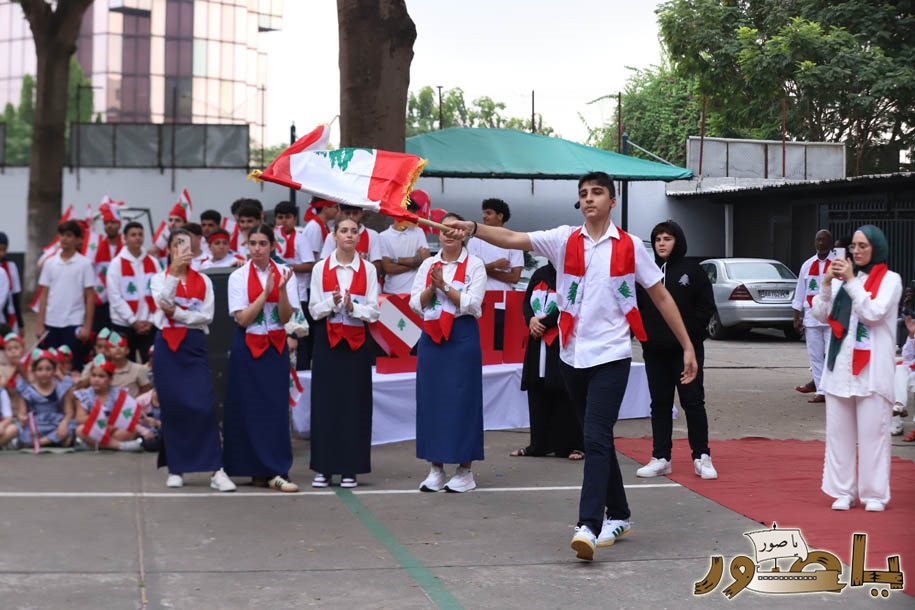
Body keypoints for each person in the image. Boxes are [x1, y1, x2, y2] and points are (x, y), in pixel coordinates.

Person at [444, 172, 697, 560]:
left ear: (612, 202)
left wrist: (687, 346)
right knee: (598, 439)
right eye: (583, 194)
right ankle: (621, 514)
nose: (589, 199)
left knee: (594, 437)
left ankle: (588, 525)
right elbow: (514, 239)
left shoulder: (630, 246)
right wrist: (474, 228)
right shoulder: (564, 240)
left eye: (597, 193)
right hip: (571, 355)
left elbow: (661, 297)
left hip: (611, 356)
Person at [810, 225, 902, 512]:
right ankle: (843, 491)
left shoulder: (890, 280)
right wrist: (827, 283)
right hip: (841, 369)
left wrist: (850, 281)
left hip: (872, 372)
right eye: (854, 246)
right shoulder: (841, 281)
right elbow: (821, 314)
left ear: (876, 247)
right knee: (839, 434)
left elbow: (873, 313)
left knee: (874, 434)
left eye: (864, 246)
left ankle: (874, 494)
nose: (857, 251)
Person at [149, 229, 235, 491]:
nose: (183, 251)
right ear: (170, 250)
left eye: (187, 246)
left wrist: (177, 313)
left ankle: (216, 469)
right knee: (173, 407)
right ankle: (177, 468)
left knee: (204, 406)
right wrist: (174, 276)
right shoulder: (158, 278)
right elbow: (162, 301)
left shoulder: (205, 281)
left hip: (194, 344)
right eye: (178, 245)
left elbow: (205, 316)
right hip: (167, 346)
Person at [410, 212, 487, 493]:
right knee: (431, 399)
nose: (449, 232)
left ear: (464, 234)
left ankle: (465, 470)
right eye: (444, 228)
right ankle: (436, 468)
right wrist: (432, 286)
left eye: (455, 228)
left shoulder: (475, 265)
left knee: (462, 400)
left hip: (461, 335)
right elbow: (415, 304)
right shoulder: (429, 263)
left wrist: (444, 286)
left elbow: (473, 304)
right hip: (431, 337)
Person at [634, 220, 717, 479]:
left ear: (677, 241)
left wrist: (687, 339)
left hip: (686, 351)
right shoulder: (646, 272)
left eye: (667, 238)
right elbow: (636, 306)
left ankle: (702, 457)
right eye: (657, 239)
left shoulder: (693, 271)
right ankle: (661, 457)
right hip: (655, 352)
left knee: (692, 402)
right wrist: (645, 338)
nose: (661, 243)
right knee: (659, 403)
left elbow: (705, 309)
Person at [223, 224, 299, 492]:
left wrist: (282, 291)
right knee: (246, 406)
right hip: (248, 344)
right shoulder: (239, 277)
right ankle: (251, 468)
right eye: (252, 243)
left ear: (272, 246)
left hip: (275, 346)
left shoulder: (285, 274)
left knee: (275, 408)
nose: (257, 249)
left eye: (262, 243)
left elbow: (287, 317)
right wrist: (266, 293)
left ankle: (277, 468)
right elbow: (242, 318)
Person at [308, 218, 380, 488]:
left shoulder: (368, 269)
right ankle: (324, 467)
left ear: (359, 236)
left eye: (354, 231)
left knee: (355, 405)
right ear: (334, 235)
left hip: (357, 343)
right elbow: (314, 309)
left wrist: (352, 308)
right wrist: (333, 302)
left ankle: (351, 467)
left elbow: (373, 311)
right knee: (325, 404)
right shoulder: (320, 268)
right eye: (344, 231)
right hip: (327, 342)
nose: (349, 235)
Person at [511, 261, 583, 460]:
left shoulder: (573, 275)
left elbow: (570, 304)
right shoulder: (539, 274)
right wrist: (531, 320)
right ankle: (539, 444)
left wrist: (544, 322)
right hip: (537, 338)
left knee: (563, 391)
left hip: (560, 339)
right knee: (537, 390)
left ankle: (571, 445)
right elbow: (527, 301)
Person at [467, 198, 524, 350]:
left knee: (500, 348)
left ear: (500, 216)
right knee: (480, 349)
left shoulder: (515, 241)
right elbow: (470, 272)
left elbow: (515, 278)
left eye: (489, 213)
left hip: (504, 305)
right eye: (483, 213)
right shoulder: (474, 240)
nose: (484, 216)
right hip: (479, 304)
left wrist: (485, 271)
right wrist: (495, 266)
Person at [36, 220, 96, 364]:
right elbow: (44, 295)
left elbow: (89, 297)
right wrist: (39, 324)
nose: (64, 239)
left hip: (73, 323)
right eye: (62, 235)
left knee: (72, 366)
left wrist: (87, 326)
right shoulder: (50, 263)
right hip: (51, 322)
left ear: (78, 240)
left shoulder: (85, 264)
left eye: (69, 235)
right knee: (50, 364)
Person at [106, 221, 161, 363]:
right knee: (123, 364)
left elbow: (160, 292)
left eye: (140, 235)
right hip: (124, 324)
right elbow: (114, 296)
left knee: (150, 364)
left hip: (149, 324)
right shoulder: (116, 263)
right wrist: (132, 320)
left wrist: (151, 320)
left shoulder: (153, 262)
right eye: (133, 235)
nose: (137, 238)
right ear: (125, 238)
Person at [792, 229, 834, 403]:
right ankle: (821, 391)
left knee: (831, 355)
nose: (821, 243)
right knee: (815, 356)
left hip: (832, 319)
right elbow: (800, 293)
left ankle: (832, 389)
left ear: (830, 243)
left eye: (824, 240)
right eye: (818, 240)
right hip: (811, 317)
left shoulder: (838, 264)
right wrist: (796, 316)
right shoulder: (807, 265)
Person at [274, 201, 316, 370]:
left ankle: (303, 373)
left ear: (295, 218)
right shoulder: (272, 237)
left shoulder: (301, 238)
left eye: (288, 217)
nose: (284, 221)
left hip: (299, 296)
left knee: (300, 338)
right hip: (277, 296)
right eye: (280, 217)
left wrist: (286, 267)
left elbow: (309, 265)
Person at [73, 355, 145, 452]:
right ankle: (119, 446)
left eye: (101, 376)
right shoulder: (84, 395)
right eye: (93, 375)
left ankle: (92, 445)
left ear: (110, 379)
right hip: (94, 429)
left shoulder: (118, 395)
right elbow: (79, 419)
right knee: (80, 430)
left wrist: (112, 425)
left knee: (132, 429)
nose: (96, 379)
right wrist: (99, 417)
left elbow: (126, 416)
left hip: (114, 430)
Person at [299, 199, 339, 369]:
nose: (337, 210)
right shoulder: (315, 227)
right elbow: (314, 259)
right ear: (325, 208)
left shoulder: (323, 225)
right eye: (334, 207)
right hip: (309, 284)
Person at [14, 349, 77, 449]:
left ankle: (40, 442)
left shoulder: (60, 388)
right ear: (34, 371)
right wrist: (23, 418)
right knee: (22, 432)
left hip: (56, 422)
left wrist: (64, 423)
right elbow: (21, 413)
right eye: (40, 369)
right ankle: (52, 440)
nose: (44, 373)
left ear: (54, 371)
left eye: (48, 369)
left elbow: (69, 412)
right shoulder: (28, 390)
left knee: (70, 427)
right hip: (37, 423)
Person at [77, 331, 152, 398]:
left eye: (121, 346)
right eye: (113, 346)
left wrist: (133, 403)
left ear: (127, 350)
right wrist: (93, 372)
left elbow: (147, 391)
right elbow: (79, 389)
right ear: (107, 350)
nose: (118, 349)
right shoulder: (94, 365)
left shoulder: (138, 369)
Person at [379, 197, 430, 295]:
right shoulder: (383, 236)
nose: (412, 218)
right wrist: (415, 263)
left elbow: (425, 260)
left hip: (415, 292)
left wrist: (397, 260)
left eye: (412, 214)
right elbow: (388, 268)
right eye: (408, 214)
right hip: (391, 292)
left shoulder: (418, 232)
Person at [90, 201, 125, 332]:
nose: (109, 226)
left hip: (121, 300)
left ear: (119, 224)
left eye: (113, 222)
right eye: (106, 223)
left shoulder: (126, 247)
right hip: (101, 300)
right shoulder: (96, 246)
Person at [320, 205, 382, 276]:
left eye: (355, 213)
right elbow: (324, 264)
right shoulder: (332, 236)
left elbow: (376, 266)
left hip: (364, 282)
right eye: (347, 213)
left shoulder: (372, 235)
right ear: (341, 213)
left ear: (361, 213)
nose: (351, 217)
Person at [0, 232, 23, 332]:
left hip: (9, 315)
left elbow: (15, 297)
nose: (1, 253)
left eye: (4, 249)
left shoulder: (11, 266)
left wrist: (21, 323)